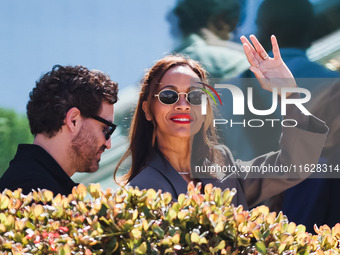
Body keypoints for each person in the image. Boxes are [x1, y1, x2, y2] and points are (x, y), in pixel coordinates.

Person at [114, 35, 328, 209]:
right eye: (169, 96)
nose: (183, 104)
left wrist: (288, 93)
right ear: (148, 110)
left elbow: (292, 166)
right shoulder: (138, 192)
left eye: (195, 96)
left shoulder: (223, 168)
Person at [0, 65, 118, 196]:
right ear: (73, 120)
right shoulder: (34, 192)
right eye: (106, 129)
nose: (108, 144)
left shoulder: (27, 182)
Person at [171, 0, 249, 79]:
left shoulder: (169, 62)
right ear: (220, 21)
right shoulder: (234, 62)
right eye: (234, 25)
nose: (236, 32)